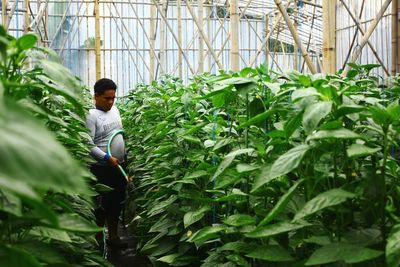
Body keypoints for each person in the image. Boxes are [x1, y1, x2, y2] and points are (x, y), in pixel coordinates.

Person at [86, 78, 128, 249]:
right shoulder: (91, 115)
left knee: (116, 203)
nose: (111, 102)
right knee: (101, 205)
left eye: (113, 98)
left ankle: (113, 236)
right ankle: (97, 239)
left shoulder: (115, 110)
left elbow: (119, 134)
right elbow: (88, 144)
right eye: (107, 98)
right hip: (102, 168)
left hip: (119, 166)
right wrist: (106, 157)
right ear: (96, 96)